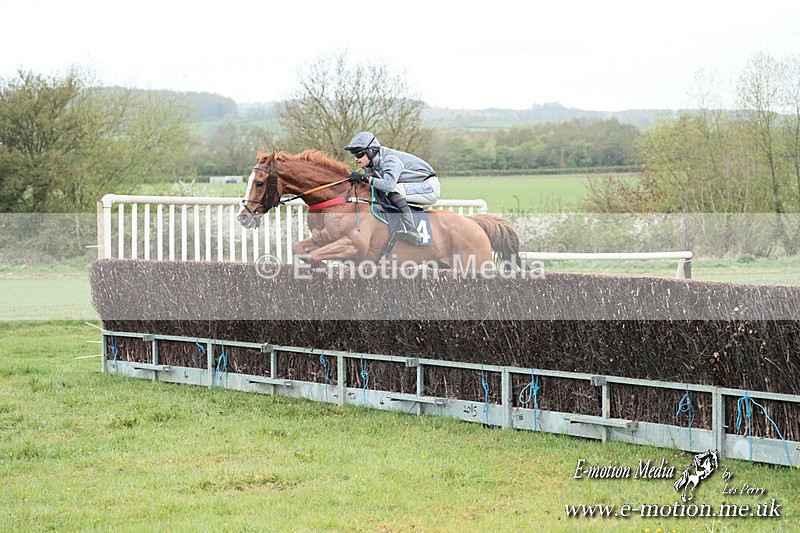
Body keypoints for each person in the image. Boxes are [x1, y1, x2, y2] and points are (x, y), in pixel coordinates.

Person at [344, 132, 441, 245]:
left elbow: (388, 186)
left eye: (359, 154)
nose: (356, 159)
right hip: (417, 185)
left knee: (394, 190)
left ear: (370, 151)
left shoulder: (389, 160)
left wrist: (363, 178)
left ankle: (411, 229)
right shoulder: (372, 165)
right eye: (354, 154)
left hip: (429, 187)